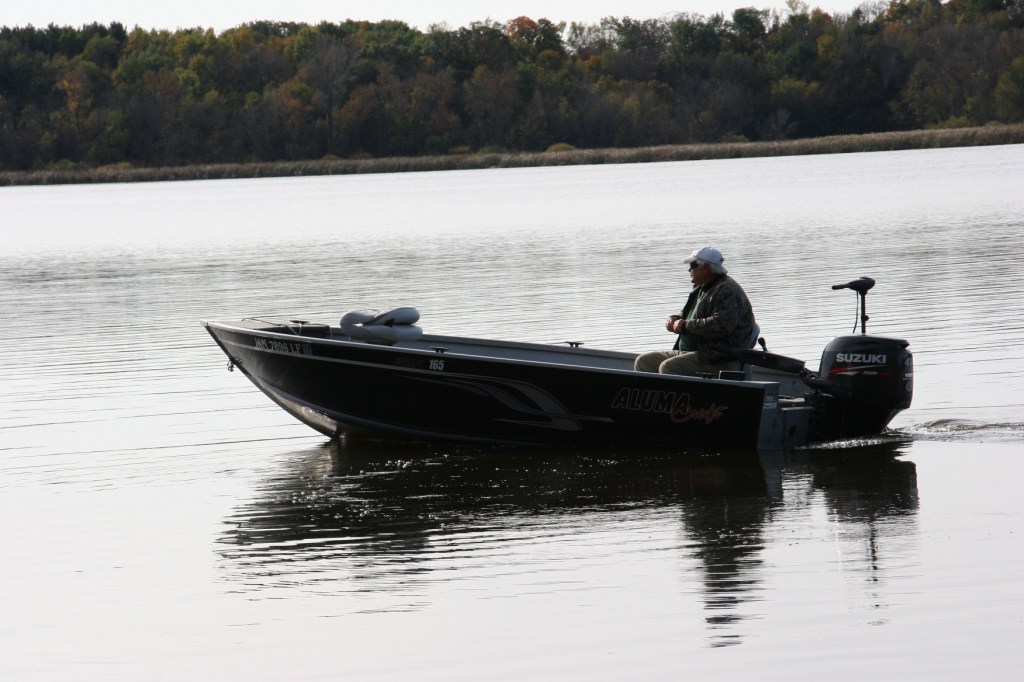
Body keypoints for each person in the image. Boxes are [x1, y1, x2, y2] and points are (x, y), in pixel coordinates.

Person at [634, 246, 757, 377]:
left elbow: (720, 326)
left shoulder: (728, 291)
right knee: (643, 362)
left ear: (705, 268)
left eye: (693, 265)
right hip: (695, 352)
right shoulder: (701, 287)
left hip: (719, 357)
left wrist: (685, 325)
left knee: (669, 367)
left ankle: (681, 397)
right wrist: (673, 319)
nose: (689, 270)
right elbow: (689, 314)